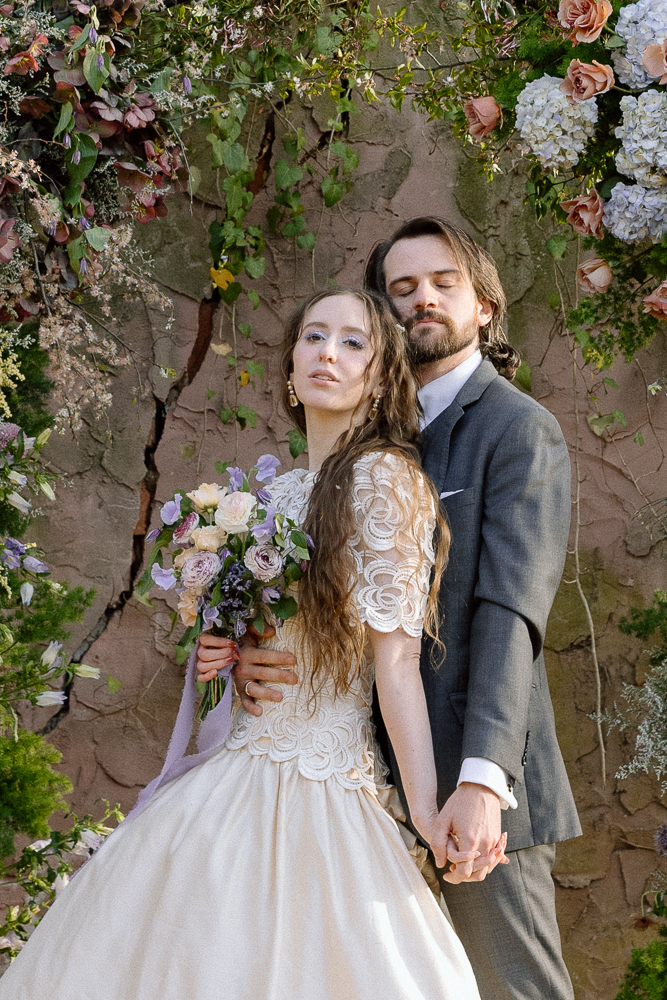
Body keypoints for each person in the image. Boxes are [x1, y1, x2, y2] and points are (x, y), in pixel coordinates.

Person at [0, 288, 504, 1000]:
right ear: (291, 369)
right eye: (313, 336)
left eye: (353, 342)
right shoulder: (275, 496)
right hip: (235, 770)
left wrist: (424, 812)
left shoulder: (385, 480)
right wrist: (223, 660)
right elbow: (267, 639)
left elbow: (394, 661)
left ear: (382, 376)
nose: (327, 353)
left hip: (322, 779)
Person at [202, 219, 582, 1000]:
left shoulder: (515, 429)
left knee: (509, 989)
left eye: (443, 283)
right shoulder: (357, 437)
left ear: (483, 305)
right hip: (350, 789)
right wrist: (258, 659)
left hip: (471, 784)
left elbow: (508, 615)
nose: (422, 300)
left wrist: (481, 782)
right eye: (400, 289)